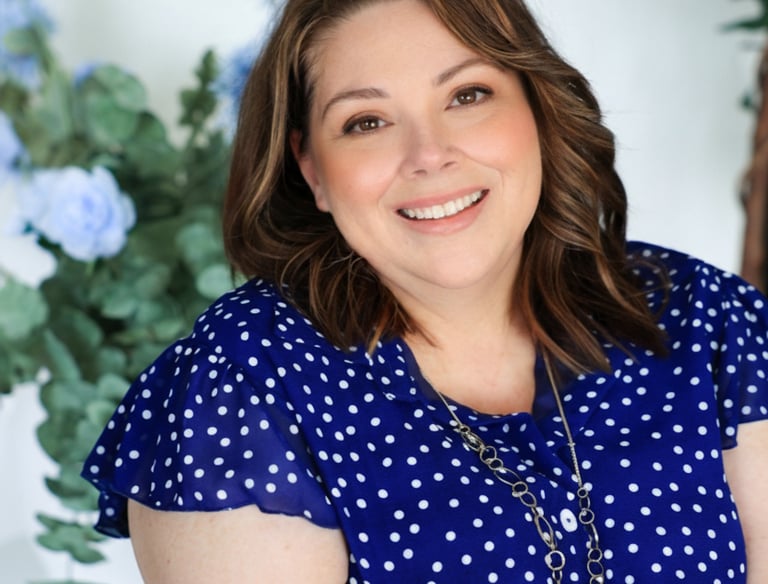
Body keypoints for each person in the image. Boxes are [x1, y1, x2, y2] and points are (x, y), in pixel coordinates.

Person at [81, 0, 768, 582]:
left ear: (538, 108)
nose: (429, 155)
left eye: (467, 96)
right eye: (366, 122)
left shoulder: (706, 318)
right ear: (312, 169)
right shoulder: (245, 381)